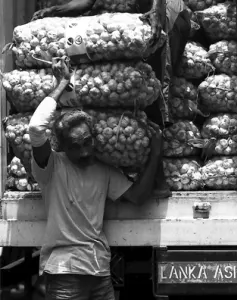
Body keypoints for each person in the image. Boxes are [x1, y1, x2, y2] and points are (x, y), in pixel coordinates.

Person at [29, 57, 163, 300]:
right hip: (65, 272)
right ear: (61, 147)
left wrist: (155, 154)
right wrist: (62, 83)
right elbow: (37, 128)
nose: (84, 152)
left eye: (87, 142)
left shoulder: (103, 170)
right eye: (75, 146)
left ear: (94, 137)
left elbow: (139, 197)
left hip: (99, 270)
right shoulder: (51, 166)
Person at [31, 0, 191, 197]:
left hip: (166, 10)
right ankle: (131, 170)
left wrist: (157, 10)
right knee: (129, 84)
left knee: (153, 83)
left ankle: (158, 175)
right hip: (136, 17)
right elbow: (87, 2)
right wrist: (52, 11)